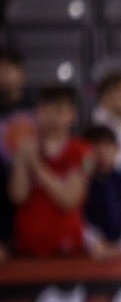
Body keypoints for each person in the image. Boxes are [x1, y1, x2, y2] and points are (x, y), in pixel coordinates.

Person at [7, 86, 89, 258]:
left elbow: (69, 199)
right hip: (27, 244)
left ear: (72, 115)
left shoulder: (83, 151)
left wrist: (36, 165)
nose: (52, 117)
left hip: (67, 246)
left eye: (59, 111)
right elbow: (17, 196)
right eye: (46, 110)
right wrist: (22, 159)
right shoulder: (26, 147)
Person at [82, 123, 121, 256]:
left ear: (116, 149)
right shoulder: (80, 183)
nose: (102, 154)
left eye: (107, 147)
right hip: (88, 256)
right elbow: (77, 220)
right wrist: (93, 242)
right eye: (96, 149)